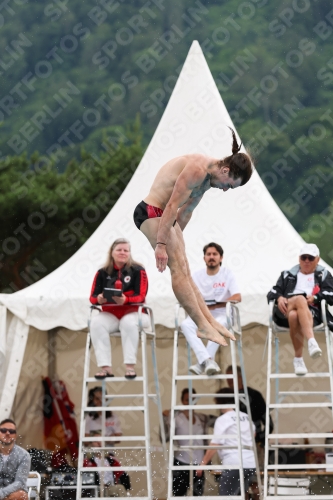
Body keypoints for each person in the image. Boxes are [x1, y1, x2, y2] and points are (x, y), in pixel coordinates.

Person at [133, 128, 253, 347]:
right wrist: (161, 245)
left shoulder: (209, 180)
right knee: (177, 267)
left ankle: (209, 320)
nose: (225, 190)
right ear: (225, 170)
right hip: (151, 212)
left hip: (167, 217)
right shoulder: (197, 169)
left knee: (186, 266)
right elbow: (170, 205)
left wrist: (177, 239)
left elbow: (185, 212)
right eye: (229, 185)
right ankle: (202, 326)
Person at [267, 243, 333, 376]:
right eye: (304, 257)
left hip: (312, 314)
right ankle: (311, 342)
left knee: (294, 316)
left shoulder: (323, 274)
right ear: (299, 259)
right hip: (284, 311)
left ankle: (298, 359)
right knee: (299, 299)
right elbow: (272, 293)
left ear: (317, 259)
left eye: (310, 258)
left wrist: (315, 298)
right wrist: (280, 298)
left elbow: (331, 294)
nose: (307, 261)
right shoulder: (287, 275)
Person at [89, 238, 150, 379]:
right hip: (111, 314)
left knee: (128, 323)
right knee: (96, 323)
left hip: (136, 313)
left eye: (126, 250)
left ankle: (130, 367)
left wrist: (126, 299)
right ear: (112, 252)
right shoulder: (102, 272)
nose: (122, 253)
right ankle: (106, 368)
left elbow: (141, 296)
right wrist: (99, 299)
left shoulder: (138, 270)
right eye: (119, 250)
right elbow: (92, 297)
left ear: (129, 253)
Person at [181, 242, 241, 376]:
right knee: (185, 324)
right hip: (202, 315)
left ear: (221, 258)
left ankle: (202, 362)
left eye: (215, 254)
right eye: (208, 254)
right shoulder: (196, 275)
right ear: (204, 258)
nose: (211, 257)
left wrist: (217, 304)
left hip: (222, 314)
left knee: (220, 323)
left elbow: (237, 296)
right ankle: (208, 360)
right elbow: (187, 296)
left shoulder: (227, 274)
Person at [196, 388, 256, 497]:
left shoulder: (223, 419)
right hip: (251, 463)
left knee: (226, 496)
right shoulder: (247, 417)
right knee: (240, 496)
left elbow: (215, 444)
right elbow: (253, 435)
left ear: (219, 402)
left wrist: (202, 464)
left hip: (234, 463)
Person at [162, 388, 214, 496]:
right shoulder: (175, 417)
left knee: (198, 495)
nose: (190, 402)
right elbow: (164, 437)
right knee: (179, 495)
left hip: (199, 464)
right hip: (180, 462)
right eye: (187, 400)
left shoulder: (202, 418)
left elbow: (220, 421)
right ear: (182, 401)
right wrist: (164, 417)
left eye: (193, 400)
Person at [225, 366, 273, 450]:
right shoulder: (226, 397)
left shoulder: (254, 395)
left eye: (232, 376)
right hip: (232, 446)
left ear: (240, 377)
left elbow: (268, 422)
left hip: (253, 444)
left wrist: (260, 441)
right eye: (227, 377)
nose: (229, 380)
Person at [0, 419, 30, 500]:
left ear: (15, 436)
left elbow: (19, 483)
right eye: (3, 430)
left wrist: (2, 494)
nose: (7, 433)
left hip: (12, 494)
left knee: (21, 495)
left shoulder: (24, 455)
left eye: (11, 431)